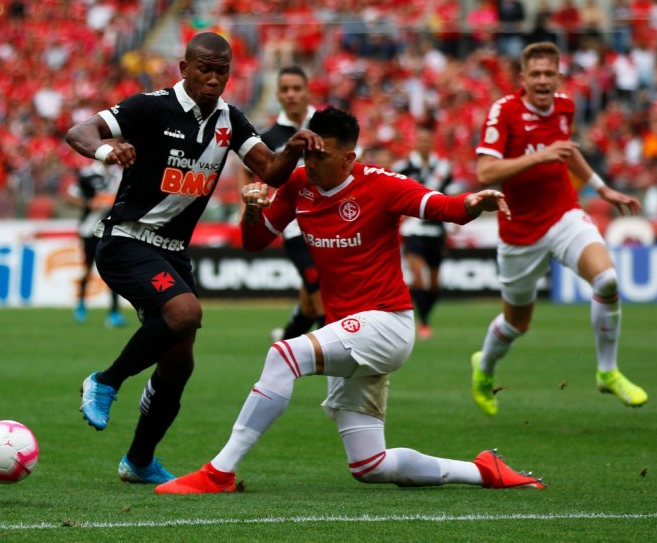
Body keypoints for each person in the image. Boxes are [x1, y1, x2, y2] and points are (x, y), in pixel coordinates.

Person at [155, 107, 544, 494]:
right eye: (307, 154)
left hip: (387, 323)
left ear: (348, 158)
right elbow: (254, 242)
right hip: (347, 331)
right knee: (369, 465)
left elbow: (444, 207)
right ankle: (482, 471)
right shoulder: (298, 184)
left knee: (283, 356)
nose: (310, 163)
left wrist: (475, 202)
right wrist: (253, 210)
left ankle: (219, 473)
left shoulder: (381, 184)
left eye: (320, 156)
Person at [64, 32, 322, 485]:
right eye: (204, 68)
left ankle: (138, 461)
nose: (213, 78)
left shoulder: (230, 119)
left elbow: (270, 171)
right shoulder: (151, 106)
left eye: (222, 71)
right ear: (184, 68)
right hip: (126, 240)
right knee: (185, 314)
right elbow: (79, 132)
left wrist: (294, 148)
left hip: (172, 253)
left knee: (179, 364)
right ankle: (105, 381)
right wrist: (107, 150)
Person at [470, 41, 648, 417]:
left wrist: (602, 188)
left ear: (558, 77)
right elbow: (485, 171)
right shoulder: (504, 111)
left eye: (549, 73)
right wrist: (540, 155)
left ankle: (608, 371)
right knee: (517, 324)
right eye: (535, 73)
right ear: (522, 78)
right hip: (520, 229)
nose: (542, 80)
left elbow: (567, 150)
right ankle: (483, 369)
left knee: (607, 281)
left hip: (563, 213)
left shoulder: (565, 106)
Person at [246, 66, 324, 343]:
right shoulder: (268, 138)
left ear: (307, 91)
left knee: (310, 304)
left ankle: (286, 343)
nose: (291, 94)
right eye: (285, 89)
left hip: (332, 223)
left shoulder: (327, 127)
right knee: (320, 291)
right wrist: (251, 204)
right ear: (278, 95)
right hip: (295, 228)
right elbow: (251, 174)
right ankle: (333, 354)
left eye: (296, 89)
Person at [392, 123, 456, 340]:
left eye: (428, 140)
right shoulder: (403, 167)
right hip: (413, 230)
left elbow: (449, 194)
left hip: (436, 230)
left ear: (433, 143)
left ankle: (425, 317)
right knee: (419, 278)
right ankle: (423, 322)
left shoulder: (443, 167)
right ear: (415, 142)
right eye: (421, 140)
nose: (424, 144)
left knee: (435, 284)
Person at [66, 161, 125, 328]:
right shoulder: (87, 174)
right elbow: (70, 197)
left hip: (111, 229)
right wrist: (88, 203)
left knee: (113, 269)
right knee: (88, 267)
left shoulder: (119, 173)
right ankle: (81, 305)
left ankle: (114, 312)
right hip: (90, 229)